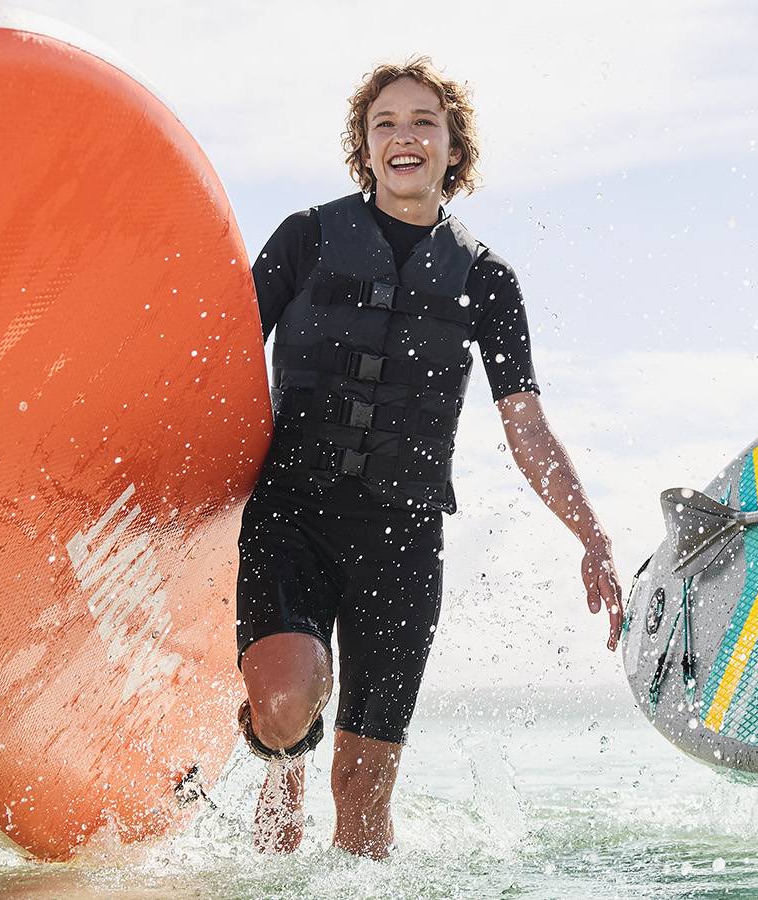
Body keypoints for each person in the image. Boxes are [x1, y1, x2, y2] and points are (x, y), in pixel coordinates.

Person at [234, 57, 623, 858]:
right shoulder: (305, 238)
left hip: (402, 537)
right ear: (364, 147)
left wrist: (593, 536)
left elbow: (528, 429)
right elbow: (219, 364)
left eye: (423, 123)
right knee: (284, 703)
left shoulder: (487, 279)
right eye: (385, 123)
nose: (403, 136)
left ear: (454, 149)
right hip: (291, 514)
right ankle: (282, 756)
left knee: (365, 804)